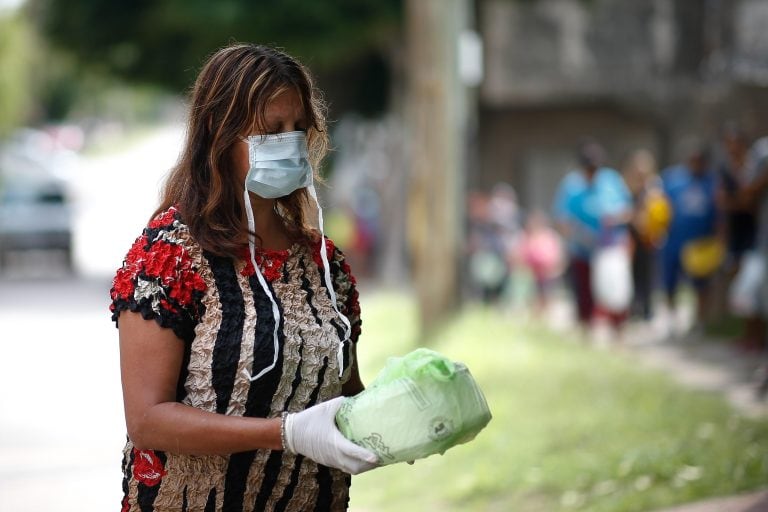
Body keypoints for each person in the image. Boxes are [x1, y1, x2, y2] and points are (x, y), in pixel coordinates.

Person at [109, 44, 378, 512]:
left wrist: (407, 407)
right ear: (220, 134)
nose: (291, 142)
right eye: (272, 130)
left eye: (298, 128)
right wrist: (285, 435)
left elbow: (343, 395)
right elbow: (148, 419)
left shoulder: (324, 266)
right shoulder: (171, 255)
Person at [553, 139, 633, 338]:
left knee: (615, 291)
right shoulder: (572, 185)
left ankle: (618, 332)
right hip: (582, 249)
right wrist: (572, 233)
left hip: (609, 248)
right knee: (584, 293)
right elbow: (562, 218)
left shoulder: (612, 181)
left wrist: (614, 219)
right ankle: (586, 331)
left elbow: (627, 210)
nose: (592, 173)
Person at [659, 139, 722, 336]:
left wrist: (720, 239)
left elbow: (720, 214)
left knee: (701, 285)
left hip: (702, 243)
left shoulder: (713, 182)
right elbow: (660, 207)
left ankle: (700, 322)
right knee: (670, 283)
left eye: (699, 160)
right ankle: (671, 320)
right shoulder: (673, 179)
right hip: (674, 241)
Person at [622, 148, 670, 321]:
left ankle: (648, 310)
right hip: (633, 237)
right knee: (634, 274)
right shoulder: (630, 187)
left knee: (649, 274)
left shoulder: (654, 188)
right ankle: (636, 307)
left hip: (649, 238)